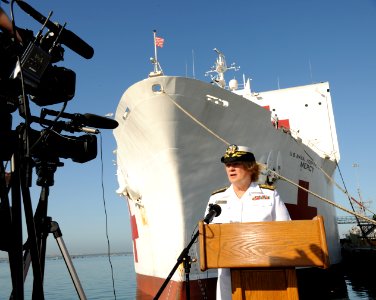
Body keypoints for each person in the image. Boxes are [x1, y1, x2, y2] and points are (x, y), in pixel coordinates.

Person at [205, 144, 291, 300]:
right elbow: (209, 238)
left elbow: (287, 232)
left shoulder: (270, 195)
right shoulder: (216, 199)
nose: (231, 168)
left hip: (264, 276)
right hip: (229, 280)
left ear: (250, 166)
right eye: (228, 164)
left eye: (236, 164)